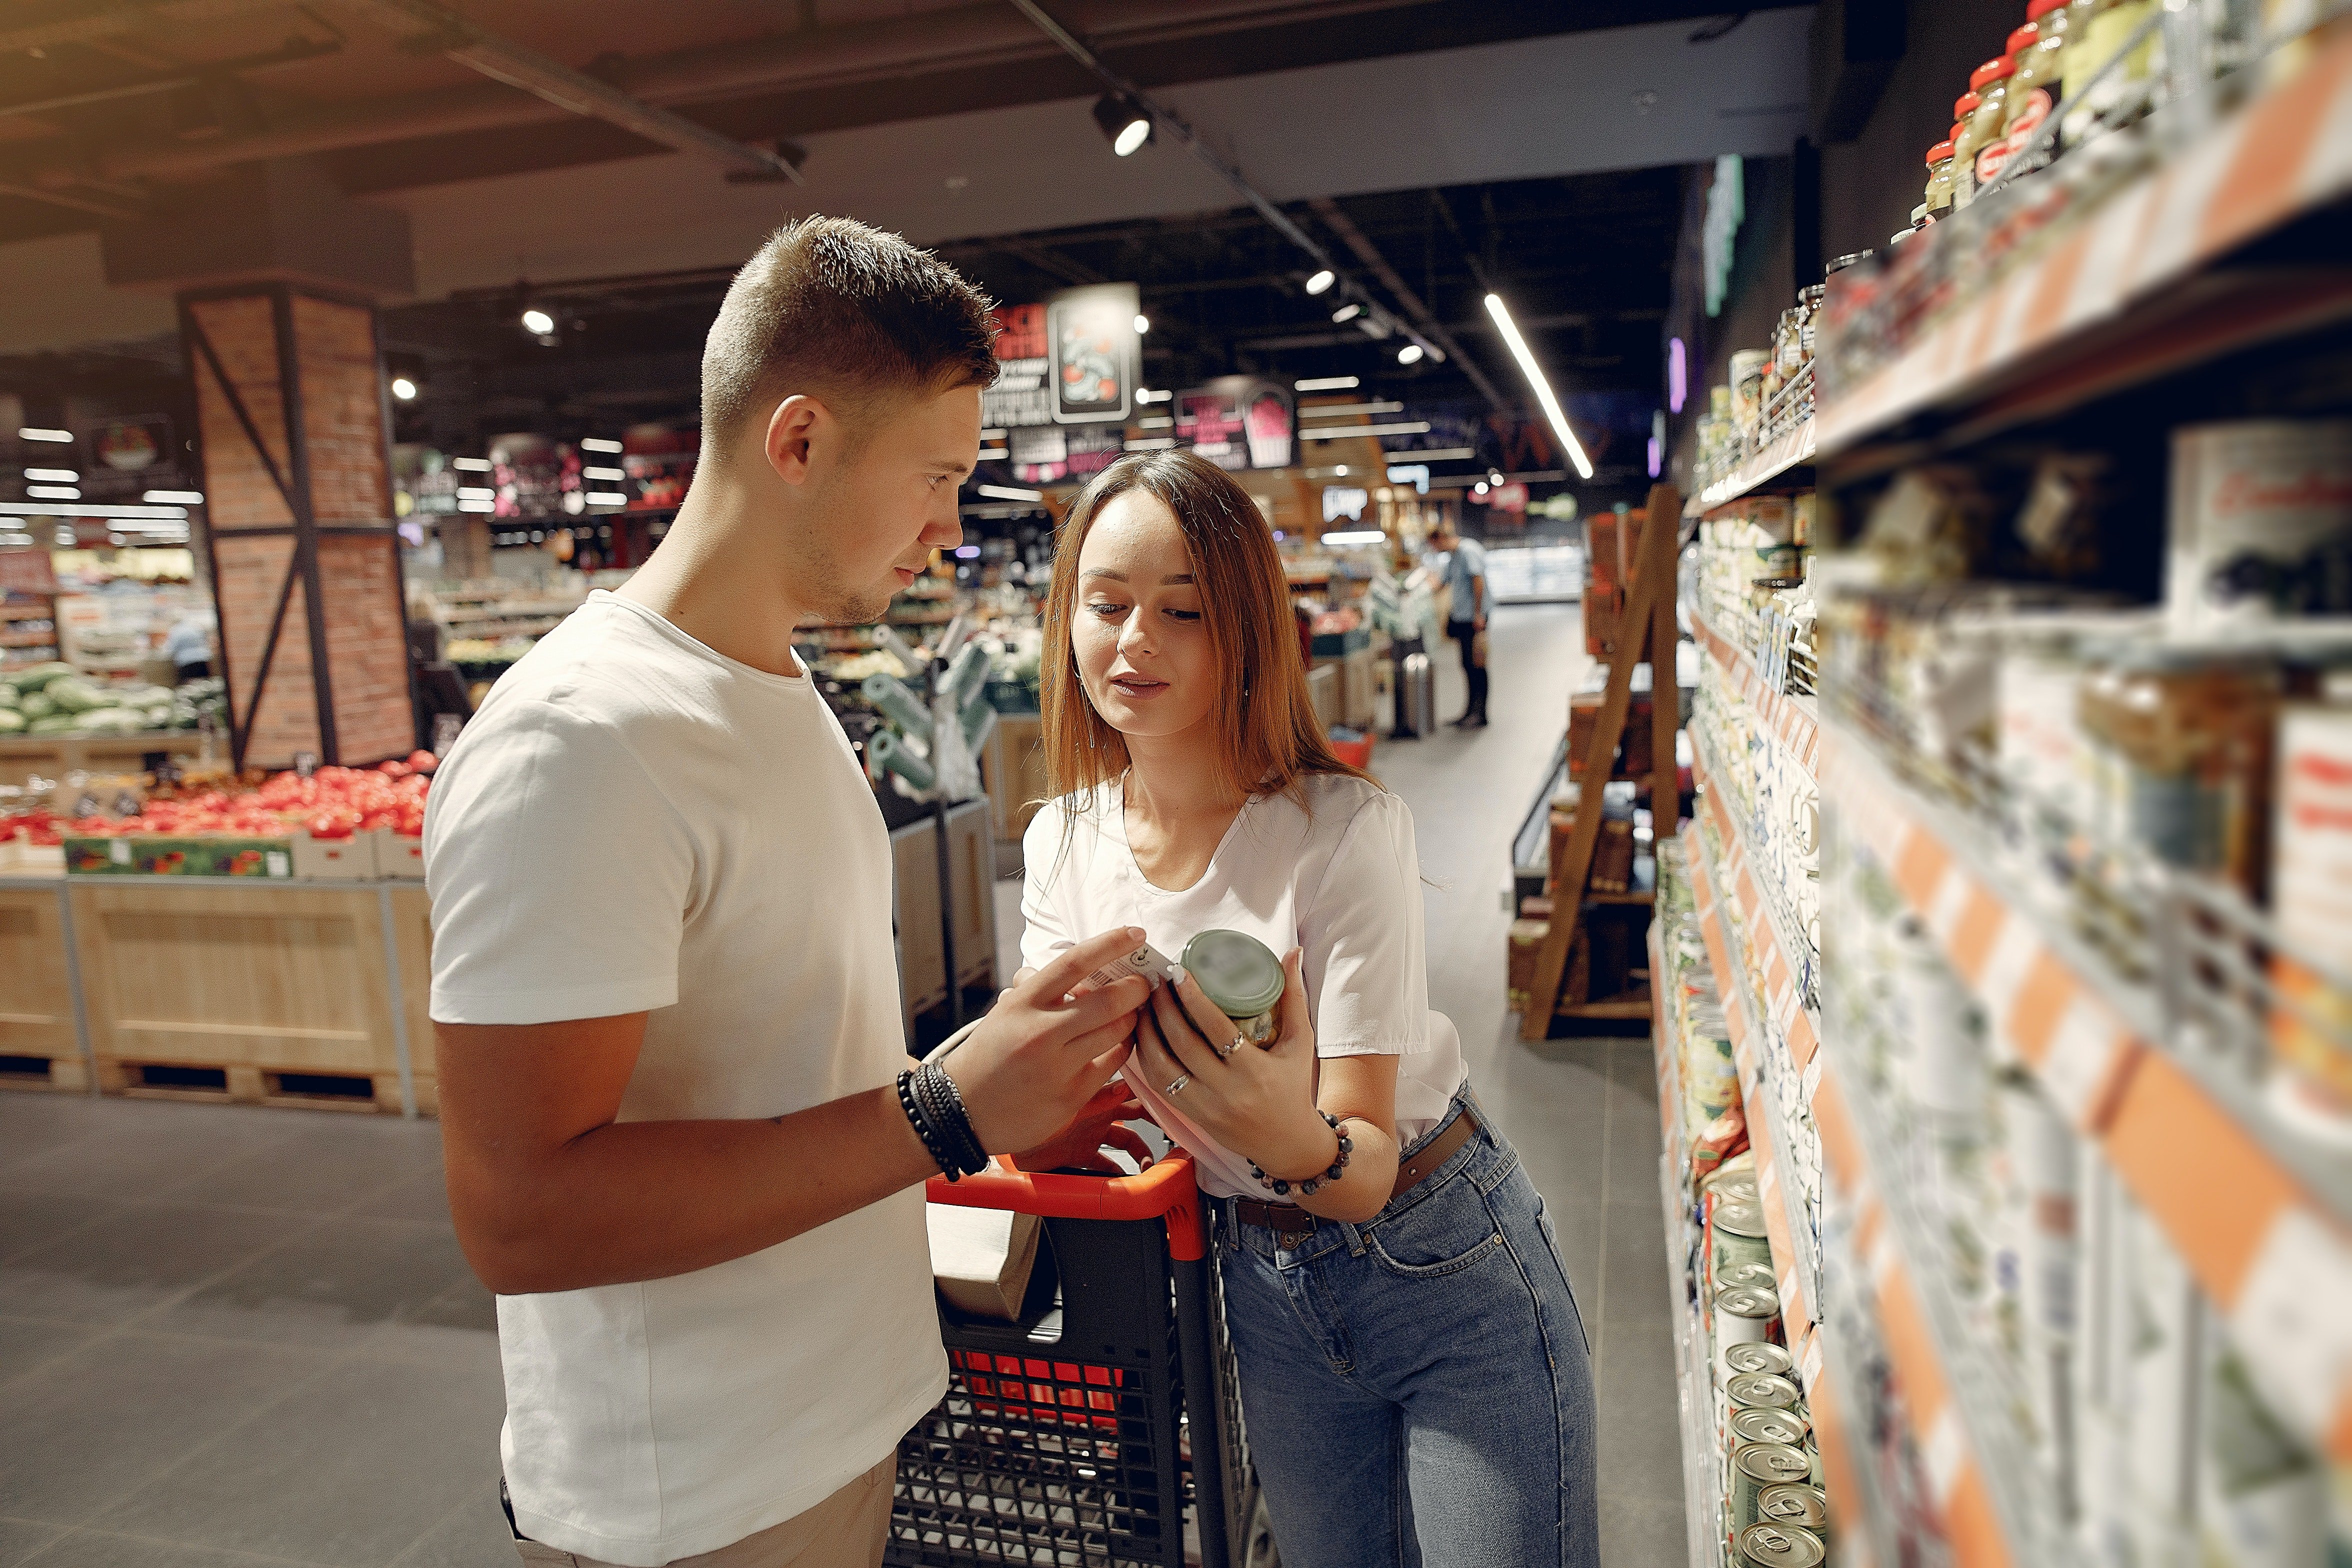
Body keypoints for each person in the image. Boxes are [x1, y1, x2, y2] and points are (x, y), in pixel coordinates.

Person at [422, 218, 1154, 1568]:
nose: (951, 525)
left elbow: (782, 1071)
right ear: (800, 441)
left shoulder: (780, 691)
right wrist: (944, 1112)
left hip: (831, 1428)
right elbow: (520, 1212)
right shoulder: (578, 745)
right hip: (690, 1499)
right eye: (936, 477)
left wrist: (993, 1099)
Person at [1014, 450, 1598, 1568]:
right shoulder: (1063, 843)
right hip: (1260, 1287)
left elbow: (1363, 1160)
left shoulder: (1340, 828)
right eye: (1106, 604)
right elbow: (1056, 1104)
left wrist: (1276, 1125)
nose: (1134, 642)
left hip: (1440, 1256)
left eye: (1181, 609)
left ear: (1243, 629)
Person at [1430, 517, 1489, 728]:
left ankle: (1480, 713)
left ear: (1442, 539)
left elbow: (1478, 581)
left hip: (1474, 619)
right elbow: (1440, 584)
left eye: (1435, 545)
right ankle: (1470, 711)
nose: (1435, 550)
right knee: (1466, 664)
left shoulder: (1468, 551)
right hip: (1463, 618)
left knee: (1476, 664)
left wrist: (1478, 614)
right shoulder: (1453, 558)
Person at [160, 609, 212, 680]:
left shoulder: (176, 631)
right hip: (203, 659)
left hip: (186, 662)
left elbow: (171, 649)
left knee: (189, 685)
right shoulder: (195, 627)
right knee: (204, 683)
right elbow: (204, 641)